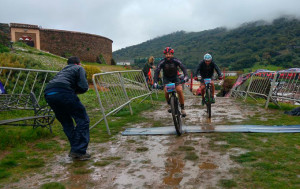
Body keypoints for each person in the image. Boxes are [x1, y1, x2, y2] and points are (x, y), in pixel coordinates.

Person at [44, 56, 90, 161]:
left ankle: (76, 150)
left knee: (66, 122)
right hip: (64, 92)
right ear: (78, 63)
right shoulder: (79, 68)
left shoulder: (62, 71)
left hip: (49, 93)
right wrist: (76, 92)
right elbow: (84, 86)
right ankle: (78, 151)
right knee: (83, 119)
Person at [154, 47, 188, 117]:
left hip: (175, 78)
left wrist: (186, 76)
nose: (168, 55)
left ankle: (182, 108)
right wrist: (155, 82)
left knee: (179, 90)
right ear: (164, 55)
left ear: (172, 54)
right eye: (166, 54)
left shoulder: (176, 60)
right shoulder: (162, 62)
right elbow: (157, 71)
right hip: (166, 78)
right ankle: (170, 105)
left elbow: (183, 68)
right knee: (166, 91)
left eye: (169, 54)